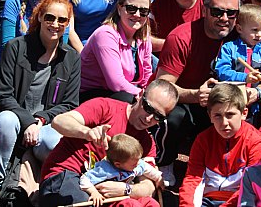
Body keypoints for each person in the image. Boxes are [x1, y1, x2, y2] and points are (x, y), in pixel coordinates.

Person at [150, 0, 245, 187]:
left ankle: (233, 166)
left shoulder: (241, 36)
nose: (224, 19)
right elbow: (161, 86)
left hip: (223, 104)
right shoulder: (181, 37)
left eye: (232, 13)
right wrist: (195, 95)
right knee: (171, 114)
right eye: (217, 12)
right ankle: (165, 161)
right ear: (204, 10)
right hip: (189, 101)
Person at [0, 0, 80, 199]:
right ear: (39, 17)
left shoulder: (71, 58)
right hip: (16, 117)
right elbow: (3, 95)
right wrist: (28, 121)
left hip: (44, 125)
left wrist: (40, 120)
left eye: (62, 20)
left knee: (55, 142)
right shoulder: (16, 47)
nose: (55, 24)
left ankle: (46, 188)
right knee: (5, 121)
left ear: (67, 24)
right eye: (50, 18)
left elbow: (70, 104)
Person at [38, 79, 178, 207]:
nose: (149, 118)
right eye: (148, 108)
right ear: (140, 95)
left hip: (102, 194)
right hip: (67, 175)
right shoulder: (106, 107)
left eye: (158, 116)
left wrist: (127, 189)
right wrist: (86, 132)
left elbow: (150, 185)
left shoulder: (147, 142)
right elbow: (59, 122)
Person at [179, 84, 261, 207]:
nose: (224, 123)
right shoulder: (203, 140)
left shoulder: (256, 142)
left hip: (241, 201)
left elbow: (251, 186)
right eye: (218, 116)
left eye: (230, 115)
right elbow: (193, 178)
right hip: (207, 200)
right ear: (210, 116)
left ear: (244, 113)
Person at [213, 4, 261, 127]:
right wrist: (245, 78)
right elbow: (222, 71)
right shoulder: (229, 48)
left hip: (254, 105)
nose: (259, 35)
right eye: (254, 30)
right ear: (240, 29)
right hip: (231, 102)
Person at [80, 0, 152, 103]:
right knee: (128, 100)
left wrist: (151, 95)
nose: (137, 15)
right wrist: (142, 95)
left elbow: (147, 76)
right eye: (131, 9)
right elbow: (115, 83)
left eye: (143, 11)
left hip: (125, 92)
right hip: (91, 94)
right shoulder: (105, 35)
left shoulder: (144, 36)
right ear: (119, 9)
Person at [79, 134, 160, 207]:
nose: (138, 164)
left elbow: (147, 168)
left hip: (127, 197)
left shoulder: (136, 164)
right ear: (118, 164)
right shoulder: (105, 169)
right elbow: (84, 179)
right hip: (111, 201)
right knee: (131, 204)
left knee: (151, 202)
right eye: (134, 163)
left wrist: (158, 178)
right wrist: (94, 192)